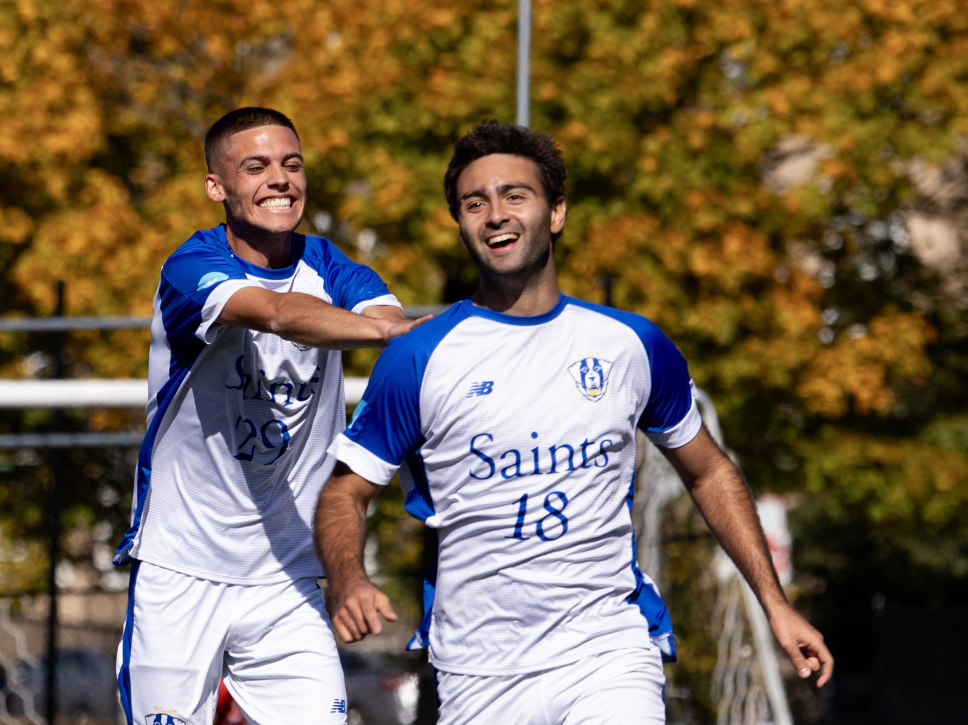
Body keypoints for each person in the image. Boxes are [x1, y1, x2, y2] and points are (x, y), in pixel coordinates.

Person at [314, 121, 833, 725]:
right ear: (460, 223)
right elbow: (344, 494)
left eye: (516, 196)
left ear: (555, 213)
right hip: (478, 670)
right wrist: (348, 579)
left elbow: (710, 470)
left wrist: (775, 603)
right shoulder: (418, 356)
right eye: (474, 203)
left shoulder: (631, 344)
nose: (495, 215)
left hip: (607, 652)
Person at [113, 107, 426, 725]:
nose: (279, 179)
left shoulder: (337, 267)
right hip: (182, 570)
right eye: (255, 167)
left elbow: (392, 325)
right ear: (217, 186)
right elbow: (276, 314)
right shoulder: (189, 268)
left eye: (291, 164)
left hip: (288, 575)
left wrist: (419, 333)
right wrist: (387, 331)